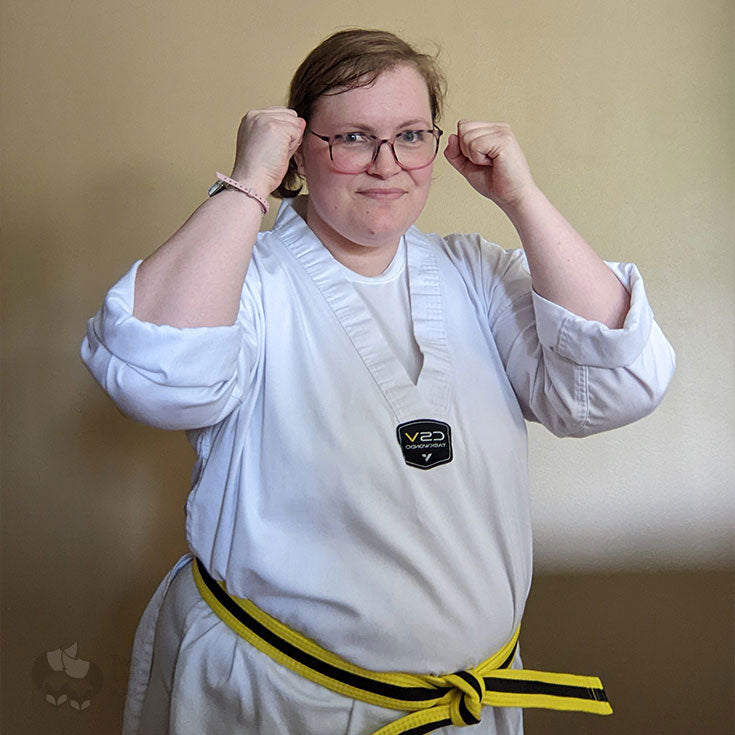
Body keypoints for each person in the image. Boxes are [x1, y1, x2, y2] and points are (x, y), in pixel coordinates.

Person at [81, 28, 675, 735]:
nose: (386, 165)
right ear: (299, 146)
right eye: (354, 137)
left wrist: (520, 197)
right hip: (280, 700)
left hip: (468, 707)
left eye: (411, 135)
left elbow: (618, 382)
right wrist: (247, 182)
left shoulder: (476, 275)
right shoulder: (246, 279)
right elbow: (156, 377)